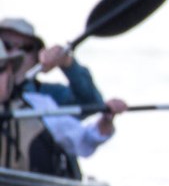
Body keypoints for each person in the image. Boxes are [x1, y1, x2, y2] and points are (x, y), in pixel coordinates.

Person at [1, 42, 125, 177]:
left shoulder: (38, 105)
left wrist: (106, 121)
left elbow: (85, 139)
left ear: (10, 71)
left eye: (0, 69)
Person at [0, 17, 105, 114]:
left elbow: (92, 104)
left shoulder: (47, 97)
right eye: (6, 44)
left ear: (36, 57)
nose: (16, 52)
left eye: (27, 48)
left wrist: (67, 62)